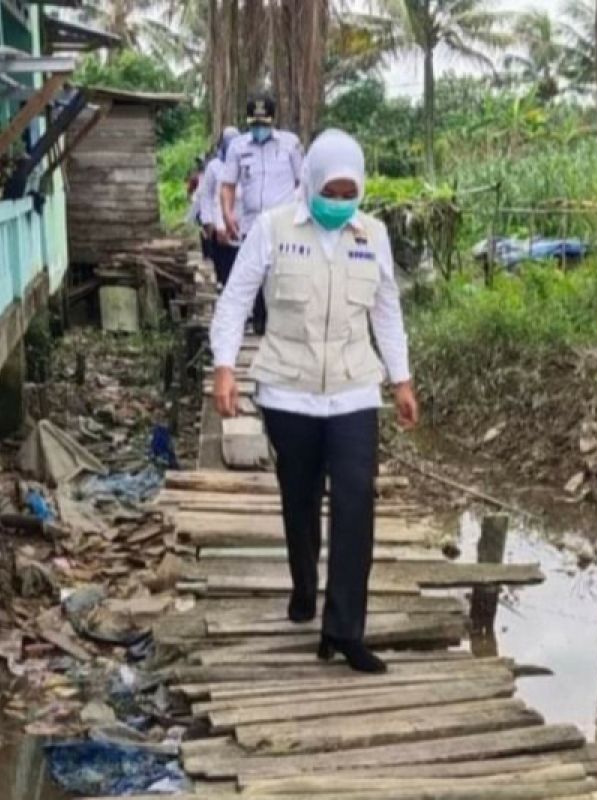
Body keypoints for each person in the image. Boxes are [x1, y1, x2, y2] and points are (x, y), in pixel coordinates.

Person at [210, 130, 419, 674]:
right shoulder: (273, 229)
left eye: (350, 191)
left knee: (356, 501)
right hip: (288, 391)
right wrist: (225, 367)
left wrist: (401, 380)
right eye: (333, 189)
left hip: (353, 389)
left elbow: (386, 310)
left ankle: (344, 630)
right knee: (299, 498)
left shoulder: (372, 235)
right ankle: (305, 585)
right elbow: (235, 299)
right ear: (311, 183)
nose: (340, 200)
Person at [220, 94, 303, 336]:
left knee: (283, 272)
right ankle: (259, 322)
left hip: (285, 220)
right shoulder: (238, 147)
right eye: (255, 124)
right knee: (255, 272)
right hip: (252, 221)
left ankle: (282, 322)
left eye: (263, 124)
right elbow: (228, 184)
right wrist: (227, 214)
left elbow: (303, 181)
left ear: (272, 120)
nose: (259, 129)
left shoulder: (290, 144)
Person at [200, 127, 241, 286]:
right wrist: (209, 221)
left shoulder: (244, 163)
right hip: (220, 224)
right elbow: (207, 195)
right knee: (223, 266)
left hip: (240, 223)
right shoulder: (214, 167)